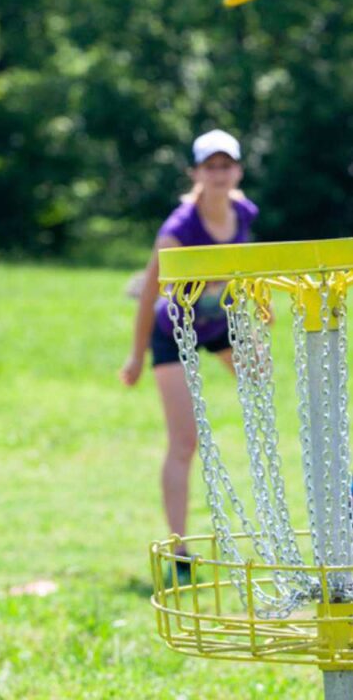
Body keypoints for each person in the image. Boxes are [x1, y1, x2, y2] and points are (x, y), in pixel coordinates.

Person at [119, 129, 259, 578]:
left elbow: (247, 268)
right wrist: (136, 357)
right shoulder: (179, 229)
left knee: (264, 381)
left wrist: (260, 312)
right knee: (185, 441)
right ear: (196, 173)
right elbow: (148, 294)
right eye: (210, 167)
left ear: (237, 170)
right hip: (174, 331)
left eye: (226, 165)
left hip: (220, 322)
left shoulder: (243, 213)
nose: (219, 174)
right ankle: (180, 549)